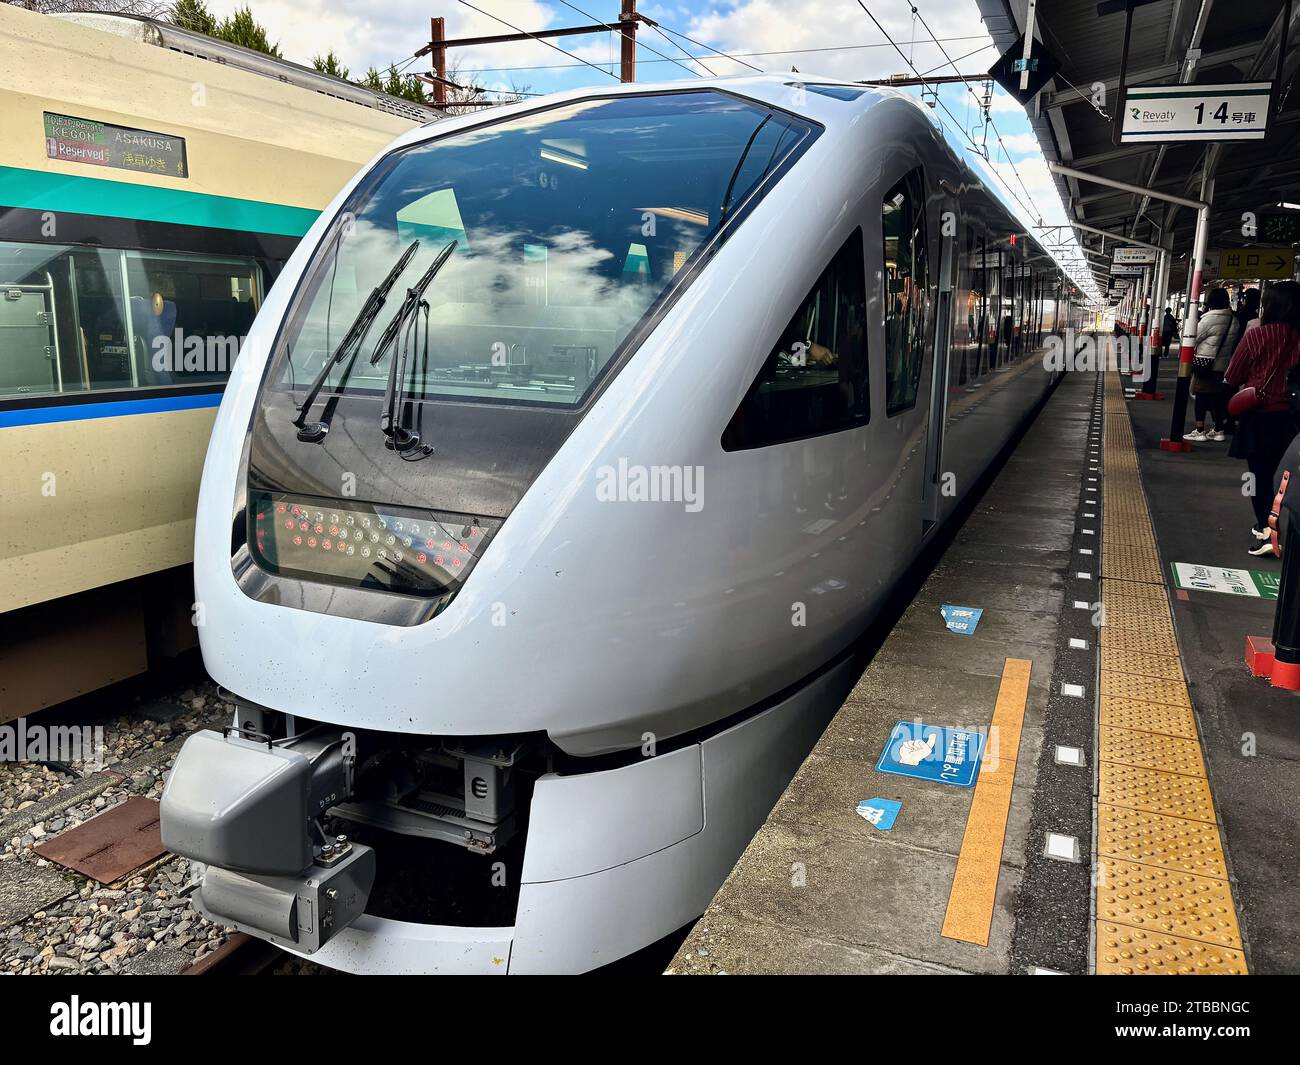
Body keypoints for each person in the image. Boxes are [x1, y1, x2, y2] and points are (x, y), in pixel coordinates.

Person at [1224, 280, 1300, 555]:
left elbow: (1233, 376)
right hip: (1294, 420)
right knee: (1288, 476)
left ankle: (1267, 529)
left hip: (1261, 417)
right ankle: (1281, 529)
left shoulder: (1258, 335)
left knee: (1259, 476)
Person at [1187, 288, 1239, 441]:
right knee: (1218, 398)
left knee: (1201, 397)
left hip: (1205, 364)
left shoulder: (1209, 320)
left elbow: (1191, 338)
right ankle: (1218, 430)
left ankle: (1199, 430)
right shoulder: (1233, 320)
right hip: (1223, 366)